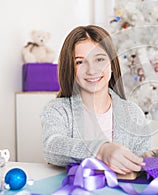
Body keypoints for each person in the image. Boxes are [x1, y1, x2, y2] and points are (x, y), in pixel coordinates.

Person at [41, 25, 151, 175]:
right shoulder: (58, 110)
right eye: (80, 62)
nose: (92, 70)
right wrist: (101, 150)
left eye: (99, 59)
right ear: (70, 68)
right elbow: (52, 146)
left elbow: (140, 160)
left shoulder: (133, 113)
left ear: (112, 64)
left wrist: (149, 158)